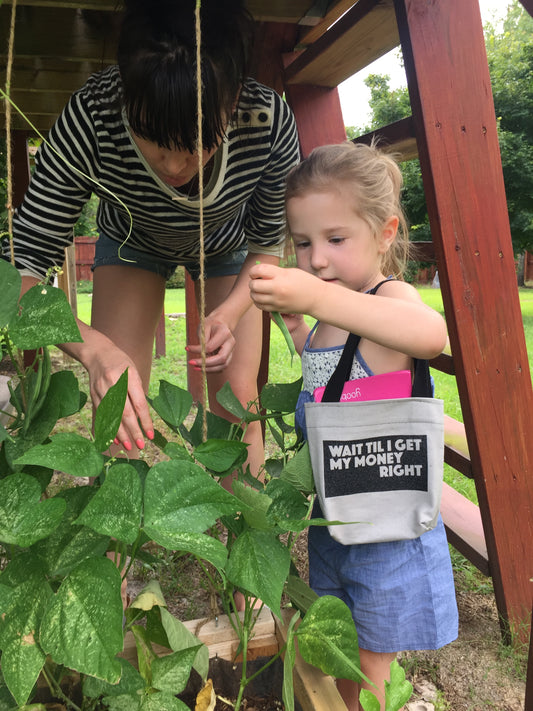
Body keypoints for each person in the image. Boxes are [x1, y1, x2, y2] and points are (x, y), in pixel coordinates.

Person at [3, 0, 300, 474]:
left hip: (227, 246)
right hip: (132, 243)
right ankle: (120, 543)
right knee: (120, 407)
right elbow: (18, 276)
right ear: (126, 97)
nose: (176, 168)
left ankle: (242, 530)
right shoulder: (92, 115)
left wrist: (231, 311)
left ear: (235, 98)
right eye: (155, 145)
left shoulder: (268, 122)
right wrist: (94, 351)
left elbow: (267, 245)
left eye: (197, 146)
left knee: (238, 406)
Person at [249, 142, 458, 711]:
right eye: (303, 242)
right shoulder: (330, 315)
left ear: (386, 232)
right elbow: (332, 384)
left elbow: (429, 336)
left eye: (335, 240)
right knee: (339, 647)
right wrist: (301, 328)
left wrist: (317, 297)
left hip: (388, 526)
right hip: (336, 518)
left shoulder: (389, 297)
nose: (316, 259)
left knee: (370, 662)